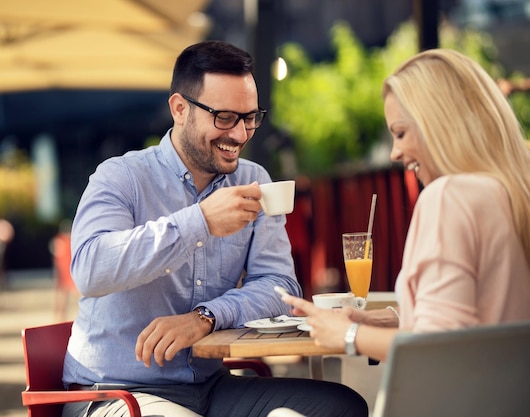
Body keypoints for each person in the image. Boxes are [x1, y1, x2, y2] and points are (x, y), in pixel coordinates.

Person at [62, 40, 368, 417]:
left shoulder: (255, 179)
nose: (240, 134)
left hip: (209, 387)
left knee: (340, 407)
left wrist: (205, 318)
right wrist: (200, 221)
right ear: (179, 109)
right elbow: (90, 271)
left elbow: (280, 286)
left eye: (250, 117)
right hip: (113, 392)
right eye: (224, 117)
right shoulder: (121, 176)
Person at [281, 48, 530, 363]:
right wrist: (392, 317)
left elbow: (439, 346)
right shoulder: (513, 188)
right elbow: (486, 317)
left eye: (400, 133)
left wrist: (346, 335)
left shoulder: (449, 195)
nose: (394, 153)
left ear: (440, 125)